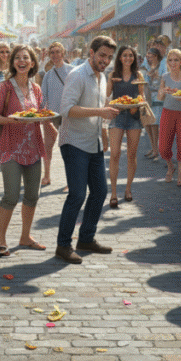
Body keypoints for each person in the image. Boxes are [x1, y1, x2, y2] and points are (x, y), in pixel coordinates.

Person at [55, 35, 120, 264]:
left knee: (100, 192)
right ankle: (63, 245)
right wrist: (100, 112)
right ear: (91, 53)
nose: (105, 60)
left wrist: (104, 120)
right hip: (74, 143)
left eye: (109, 57)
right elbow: (66, 109)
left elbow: (97, 108)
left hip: (94, 143)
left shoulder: (102, 77)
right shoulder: (77, 75)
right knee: (77, 195)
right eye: (102, 55)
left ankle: (86, 238)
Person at [0, 45, 49, 252]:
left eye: (26, 58)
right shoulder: (3, 88)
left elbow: (40, 114)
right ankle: (1, 239)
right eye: (18, 58)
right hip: (10, 148)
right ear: (12, 62)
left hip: (33, 148)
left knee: (33, 195)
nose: (21, 61)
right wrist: (13, 121)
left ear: (32, 63)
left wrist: (49, 122)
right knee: (11, 195)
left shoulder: (37, 89)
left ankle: (25, 237)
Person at [106, 45, 145, 208]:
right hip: (117, 116)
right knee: (114, 154)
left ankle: (128, 189)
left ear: (134, 58)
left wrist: (138, 103)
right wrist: (110, 82)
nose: (128, 58)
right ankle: (113, 192)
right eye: (124, 55)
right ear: (119, 58)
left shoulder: (138, 75)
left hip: (134, 117)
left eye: (130, 55)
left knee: (131, 154)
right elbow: (107, 96)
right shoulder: (113, 75)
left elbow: (142, 96)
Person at [158, 49, 181, 188]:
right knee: (163, 148)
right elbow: (160, 97)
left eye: (176, 60)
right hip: (168, 112)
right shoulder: (165, 77)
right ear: (167, 62)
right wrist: (163, 91)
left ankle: (180, 176)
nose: (173, 63)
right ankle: (170, 166)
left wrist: (180, 96)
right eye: (170, 60)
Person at [40, 42, 69, 187]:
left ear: (63, 53)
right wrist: (42, 115)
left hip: (69, 115)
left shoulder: (72, 71)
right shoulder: (48, 75)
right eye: (52, 53)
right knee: (48, 147)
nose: (55, 55)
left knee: (69, 149)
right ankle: (46, 176)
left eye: (58, 52)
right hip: (52, 116)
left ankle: (70, 180)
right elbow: (43, 97)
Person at [142, 47, 163, 160]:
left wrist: (155, 77)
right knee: (147, 123)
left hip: (156, 98)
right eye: (147, 56)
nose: (148, 58)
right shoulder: (147, 67)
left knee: (154, 124)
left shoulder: (161, 66)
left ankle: (156, 150)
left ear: (155, 56)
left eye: (150, 56)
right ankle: (153, 147)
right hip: (146, 97)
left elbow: (162, 82)